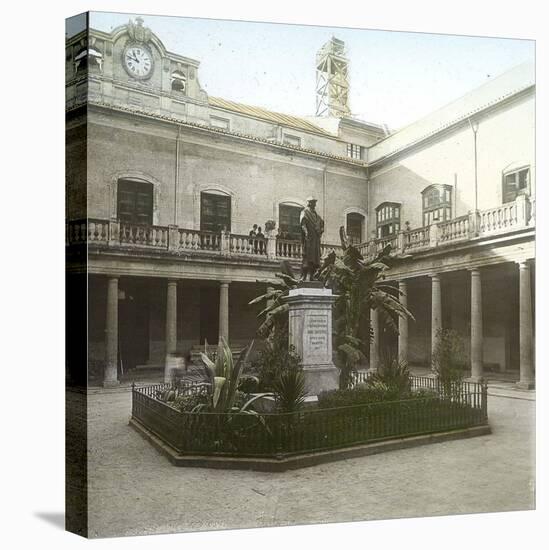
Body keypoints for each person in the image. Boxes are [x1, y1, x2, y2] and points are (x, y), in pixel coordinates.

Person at [300, 196, 324, 281]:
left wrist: (321, 230)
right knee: (307, 257)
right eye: (313, 202)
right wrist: (306, 232)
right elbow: (303, 224)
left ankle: (312, 276)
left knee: (315, 259)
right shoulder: (305, 212)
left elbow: (321, 224)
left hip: (316, 240)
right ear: (309, 203)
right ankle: (303, 276)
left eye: (315, 202)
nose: (314, 204)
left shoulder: (317, 215)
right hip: (309, 239)